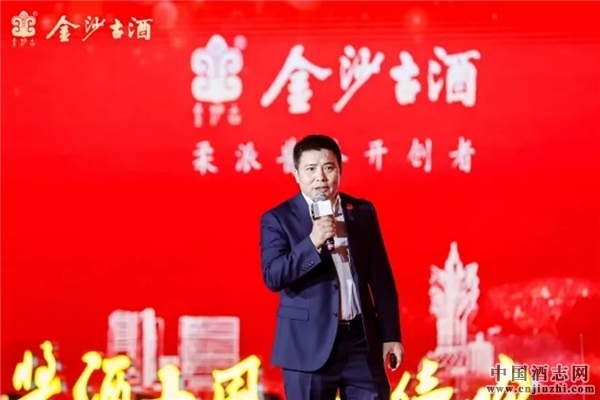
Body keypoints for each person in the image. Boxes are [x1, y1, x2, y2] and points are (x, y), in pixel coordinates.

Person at [259, 134, 404, 399]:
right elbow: (274, 276)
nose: (321, 177)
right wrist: (312, 242)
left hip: (361, 343)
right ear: (296, 175)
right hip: (307, 346)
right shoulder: (278, 218)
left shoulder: (361, 212)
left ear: (340, 170)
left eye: (328, 167)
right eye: (311, 169)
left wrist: (391, 335)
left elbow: (381, 278)